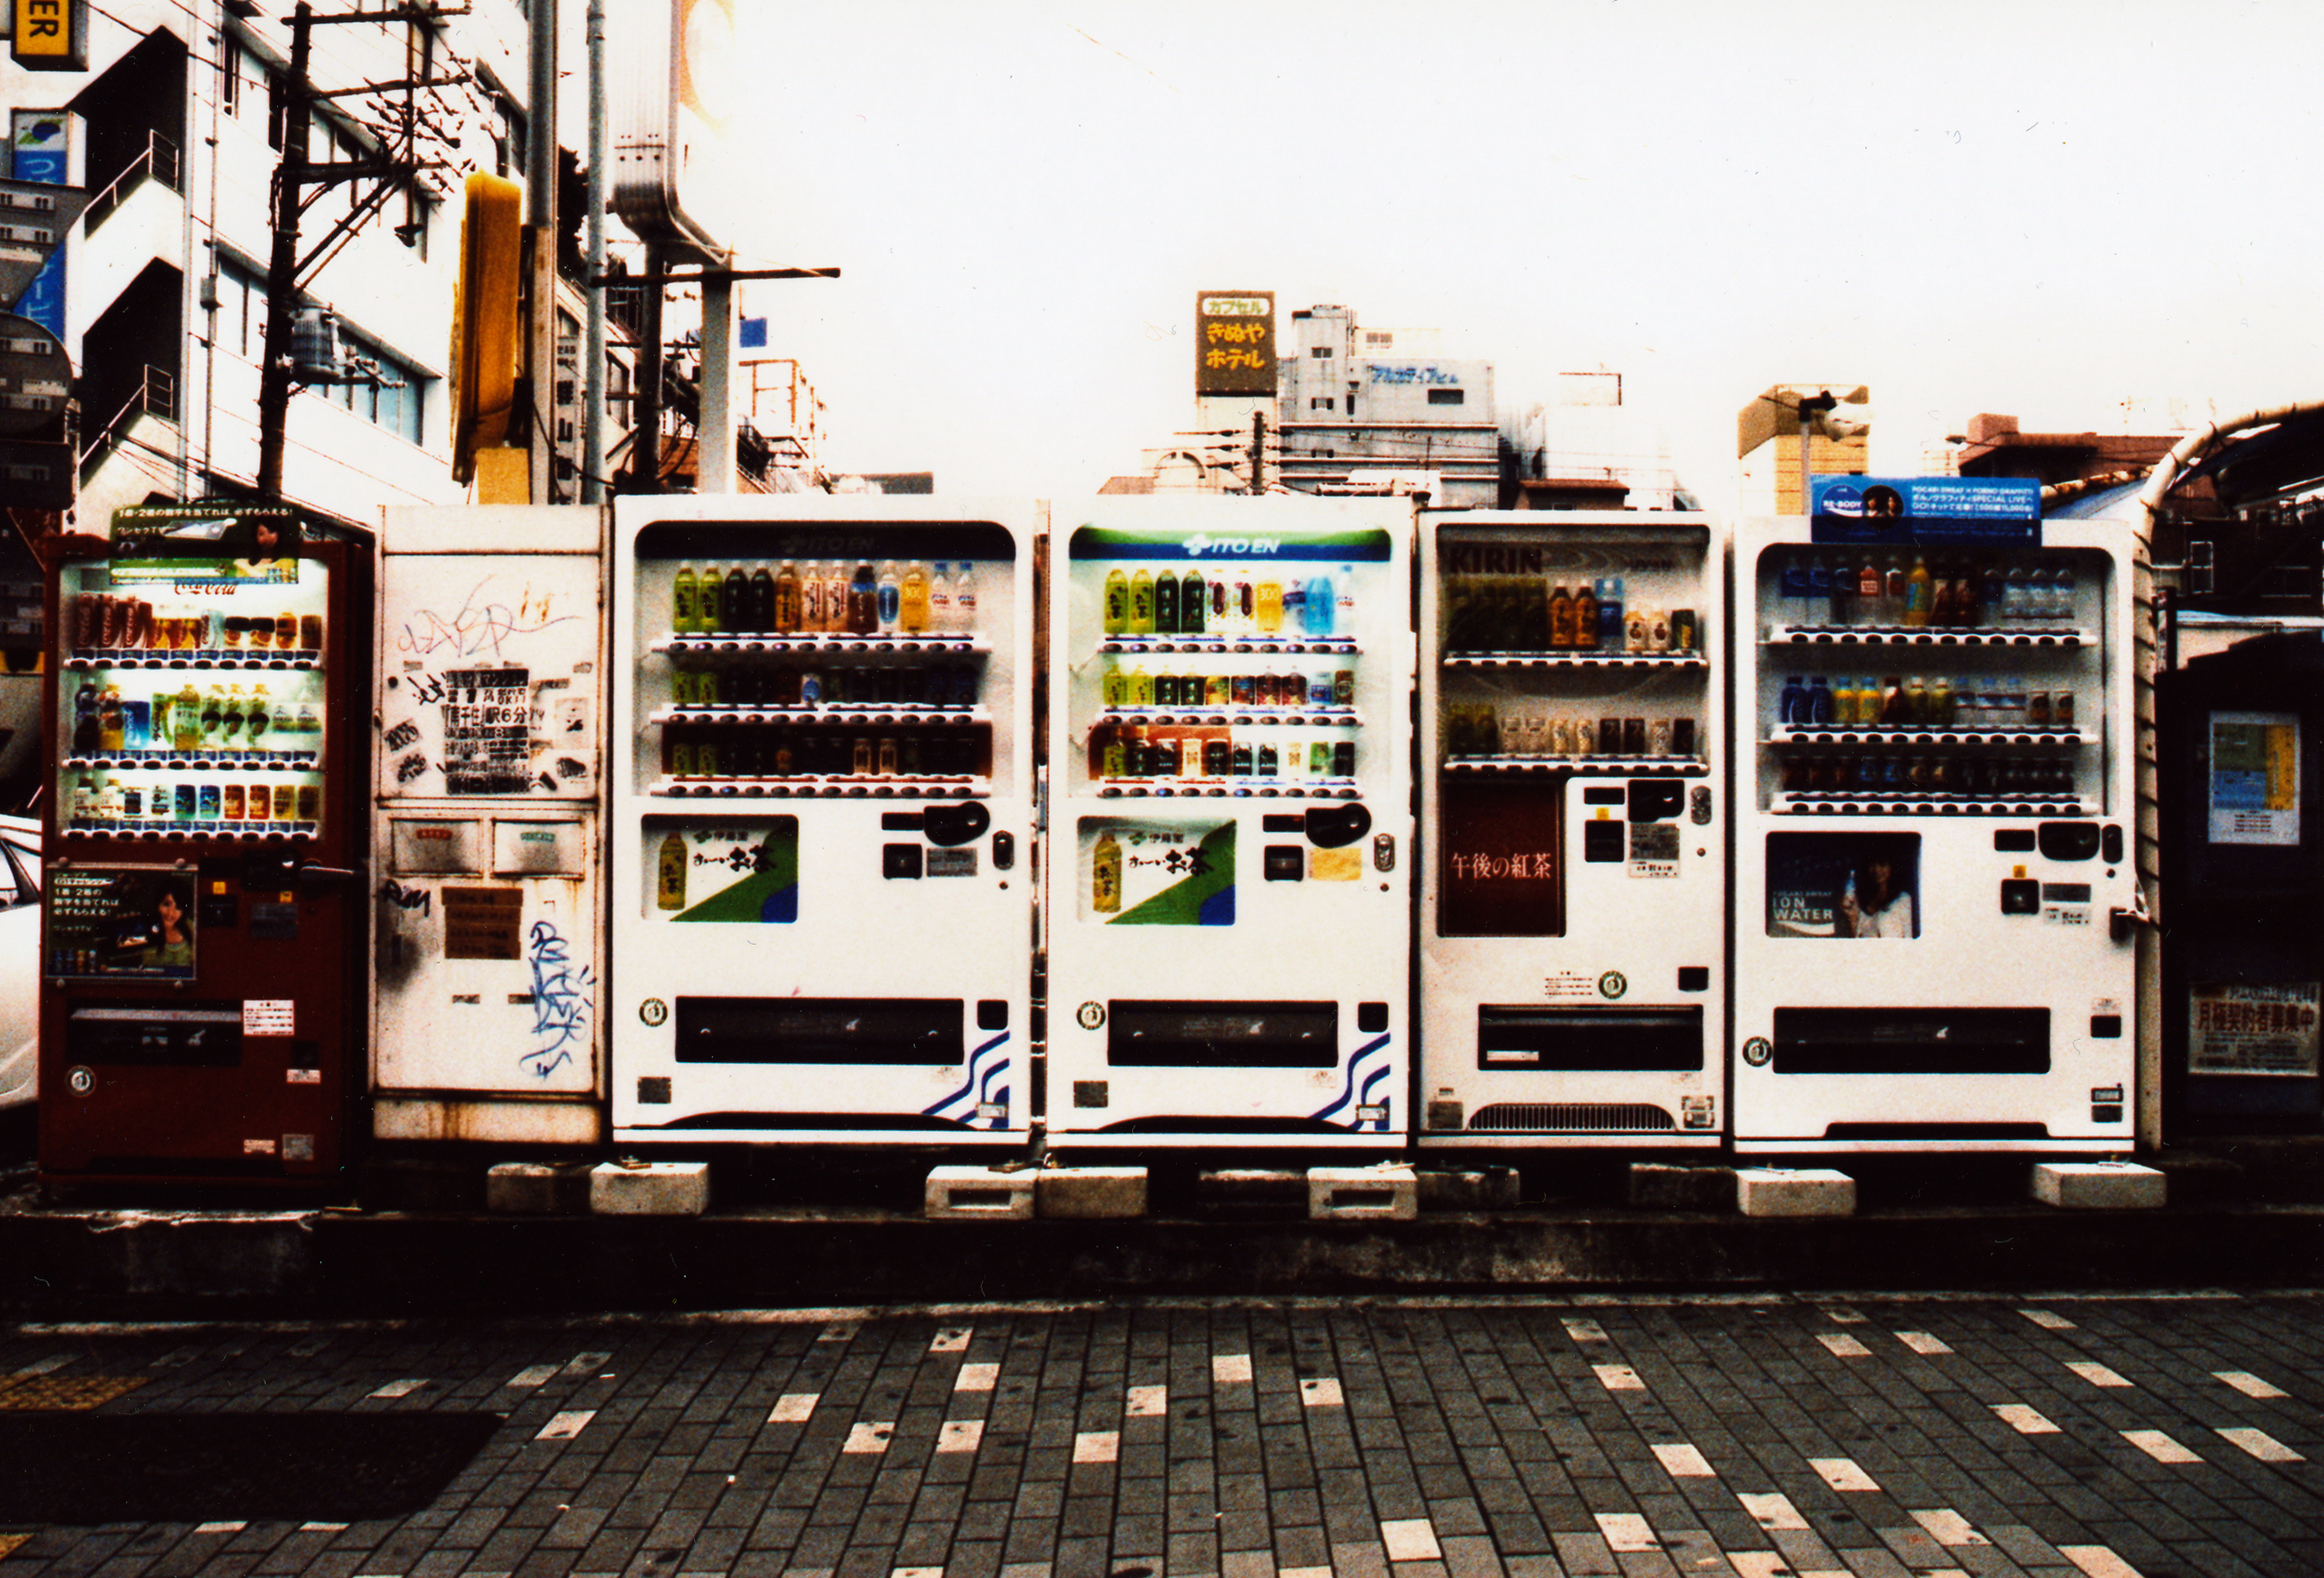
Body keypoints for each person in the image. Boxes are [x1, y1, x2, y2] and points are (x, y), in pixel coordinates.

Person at [1840, 848, 1915, 938]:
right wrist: (1853, 919)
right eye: (1872, 865)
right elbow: (1856, 938)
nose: (1877, 870)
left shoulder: (1903, 900)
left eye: (1882, 864)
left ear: (1892, 867)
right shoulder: (1861, 900)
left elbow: (1909, 937)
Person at [139, 880, 195, 970]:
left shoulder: (192, 929)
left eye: (178, 908)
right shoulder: (145, 927)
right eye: (166, 905)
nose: (171, 913)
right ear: (158, 904)